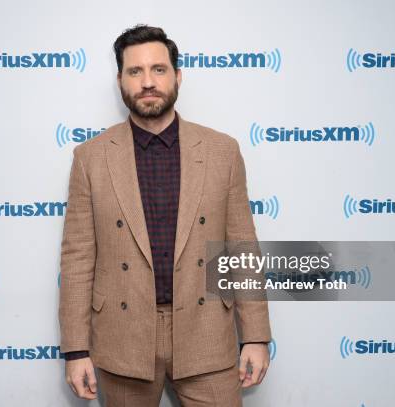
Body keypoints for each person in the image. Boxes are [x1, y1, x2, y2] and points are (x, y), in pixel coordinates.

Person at [59, 24, 272, 406]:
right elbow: (77, 259)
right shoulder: (90, 157)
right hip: (123, 337)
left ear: (177, 75)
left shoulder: (222, 151)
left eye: (158, 69)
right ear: (120, 80)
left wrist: (256, 335)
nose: (147, 82)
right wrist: (75, 350)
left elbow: (242, 248)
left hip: (207, 331)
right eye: (135, 71)